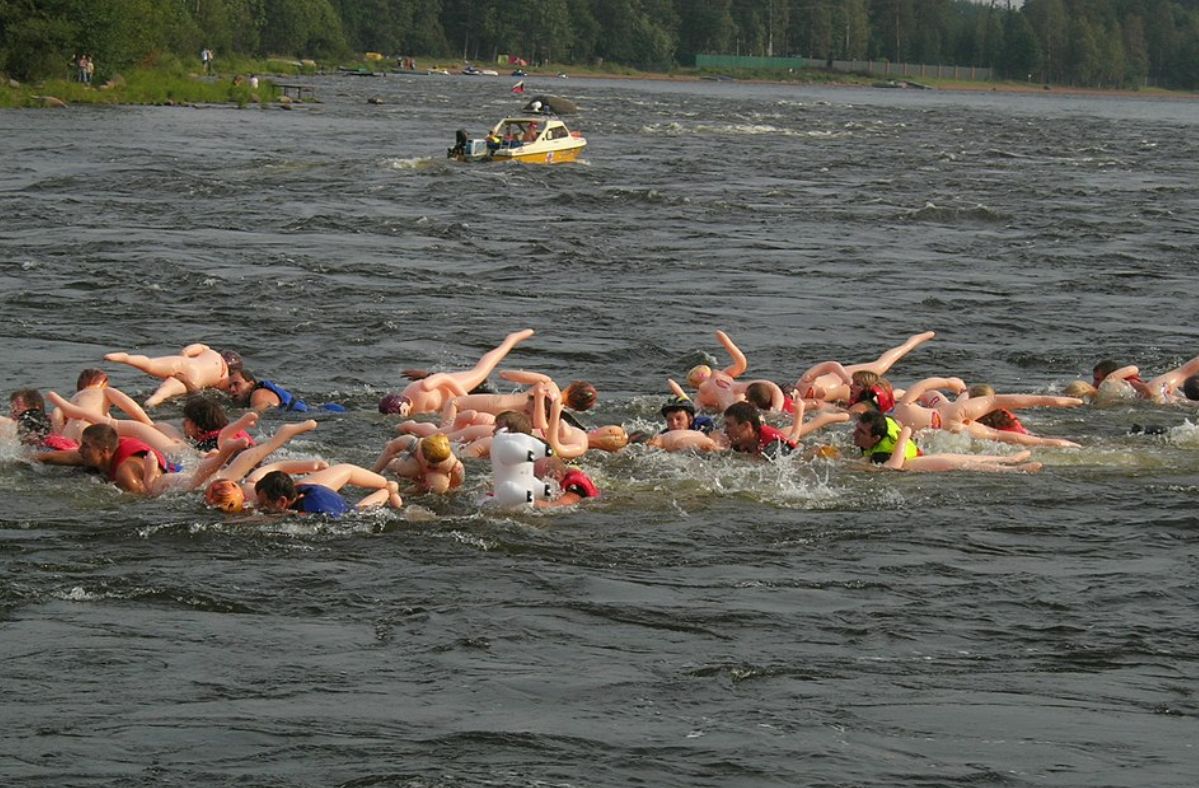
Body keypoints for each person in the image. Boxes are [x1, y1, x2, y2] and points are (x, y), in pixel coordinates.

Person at [889, 377, 1083, 448]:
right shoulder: (905, 405)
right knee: (1004, 426)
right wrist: (950, 381)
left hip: (948, 427)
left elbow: (925, 391)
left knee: (997, 436)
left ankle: (1063, 443)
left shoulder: (900, 419)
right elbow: (926, 386)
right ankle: (1062, 406)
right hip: (951, 414)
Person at [378, 329, 535, 417]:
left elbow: (444, 378)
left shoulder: (424, 389)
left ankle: (511, 339)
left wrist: (465, 401)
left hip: (459, 387)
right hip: (456, 398)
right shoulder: (412, 403)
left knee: (482, 368)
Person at [793, 331, 937, 405]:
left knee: (882, 365)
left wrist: (845, 378)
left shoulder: (804, 382)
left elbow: (831, 365)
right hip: (848, 395)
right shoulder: (799, 403)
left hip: (847, 377)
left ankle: (914, 341)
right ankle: (912, 394)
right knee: (882, 399)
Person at [682, 330, 786, 412]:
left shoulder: (722, 374)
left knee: (770, 387)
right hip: (732, 402)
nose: (698, 373)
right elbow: (741, 364)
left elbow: (741, 364)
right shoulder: (702, 392)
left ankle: (776, 411)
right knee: (770, 388)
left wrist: (727, 344)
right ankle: (775, 411)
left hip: (738, 394)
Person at [876, 424, 1042, 473]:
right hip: (915, 464)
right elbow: (893, 468)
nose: (855, 434)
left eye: (860, 431)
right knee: (961, 464)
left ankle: (1009, 460)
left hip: (916, 461)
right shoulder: (868, 454)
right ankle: (1015, 469)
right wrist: (905, 434)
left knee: (957, 458)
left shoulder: (878, 443)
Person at [104, 343, 233, 407]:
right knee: (167, 389)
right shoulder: (225, 375)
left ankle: (126, 358)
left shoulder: (211, 352)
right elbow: (220, 388)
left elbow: (196, 347)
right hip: (195, 379)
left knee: (150, 364)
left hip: (187, 363)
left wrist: (184, 355)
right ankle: (153, 400)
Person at [254, 465, 402, 516]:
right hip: (324, 493)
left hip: (345, 514)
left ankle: (388, 491)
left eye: (263, 504)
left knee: (359, 512)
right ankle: (388, 487)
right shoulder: (301, 487)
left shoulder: (310, 512)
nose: (259, 508)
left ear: (282, 501)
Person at [372, 433, 465, 495]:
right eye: (430, 460)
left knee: (439, 488)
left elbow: (456, 485)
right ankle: (394, 465)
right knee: (406, 468)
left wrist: (447, 485)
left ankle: (414, 489)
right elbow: (390, 450)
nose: (431, 465)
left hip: (436, 474)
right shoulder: (414, 444)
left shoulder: (453, 465)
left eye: (436, 462)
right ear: (422, 450)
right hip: (414, 462)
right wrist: (374, 473)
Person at [225, 367, 346, 413]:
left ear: (251, 384)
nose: (232, 389)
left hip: (328, 413)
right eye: (230, 386)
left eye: (237, 384)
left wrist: (233, 415)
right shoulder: (253, 394)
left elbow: (257, 412)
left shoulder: (259, 394)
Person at [722, 401, 798, 458]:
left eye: (729, 425)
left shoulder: (775, 446)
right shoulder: (739, 441)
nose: (725, 431)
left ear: (746, 426)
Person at [6, 389, 76, 450]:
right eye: (12, 408)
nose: (13, 412)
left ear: (36, 407)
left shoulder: (41, 421)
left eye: (18, 408)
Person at [533, 456, 600, 509]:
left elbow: (567, 502)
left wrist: (535, 503)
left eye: (539, 478)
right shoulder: (561, 477)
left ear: (556, 476)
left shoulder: (574, 485)